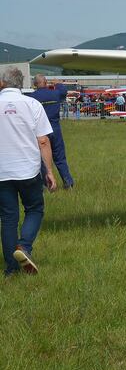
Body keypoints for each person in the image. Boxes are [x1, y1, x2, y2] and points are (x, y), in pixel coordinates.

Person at [0, 67, 58, 276]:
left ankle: (11, 269)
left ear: (2, 84)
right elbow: (43, 140)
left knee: (8, 218)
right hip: (28, 169)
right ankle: (23, 247)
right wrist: (49, 171)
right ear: (21, 83)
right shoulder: (32, 104)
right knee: (34, 209)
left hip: (2, 171)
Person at [28, 74, 75, 189]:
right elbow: (63, 91)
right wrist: (57, 83)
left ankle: (47, 183)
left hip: (40, 131)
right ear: (45, 82)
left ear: (35, 84)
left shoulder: (31, 97)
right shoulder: (55, 94)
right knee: (60, 157)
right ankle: (68, 182)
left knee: (42, 158)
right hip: (55, 128)